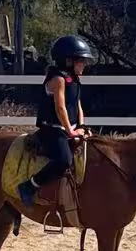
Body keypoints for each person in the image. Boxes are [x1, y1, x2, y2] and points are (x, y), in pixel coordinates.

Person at [19, 34, 93, 210]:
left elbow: (77, 104)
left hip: (70, 128)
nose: (84, 65)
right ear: (68, 61)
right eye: (81, 61)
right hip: (52, 130)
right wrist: (70, 132)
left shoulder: (74, 79)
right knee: (64, 160)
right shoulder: (58, 79)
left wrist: (82, 126)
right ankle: (29, 186)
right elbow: (61, 109)